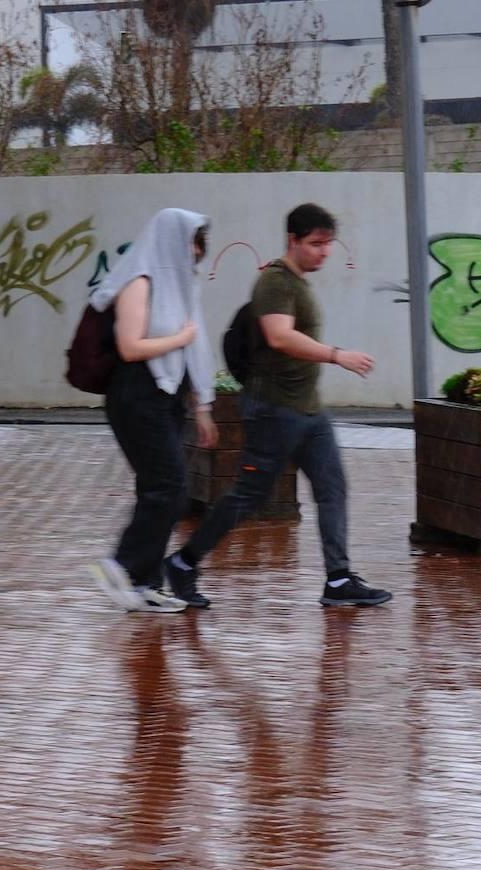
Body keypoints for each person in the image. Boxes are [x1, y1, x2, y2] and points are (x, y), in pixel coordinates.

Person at [163, 204, 392, 609]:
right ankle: (183, 562)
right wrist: (337, 355)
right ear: (293, 240)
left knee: (332, 487)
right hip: (273, 409)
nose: (324, 252)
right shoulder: (274, 282)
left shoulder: (299, 283)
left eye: (328, 244)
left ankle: (338, 579)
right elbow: (280, 337)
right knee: (249, 495)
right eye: (316, 244)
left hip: (307, 410)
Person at [88, 208, 219, 612]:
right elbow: (130, 347)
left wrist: (202, 406)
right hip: (136, 395)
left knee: (159, 488)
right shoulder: (138, 282)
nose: (198, 252)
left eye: (200, 244)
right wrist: (179, 337)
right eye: (194, 242)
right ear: (172, 241)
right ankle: (122, 565)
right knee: (171, 485)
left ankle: (145, 583)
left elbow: (197, 348)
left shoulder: (180, 287)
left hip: (167, 397)